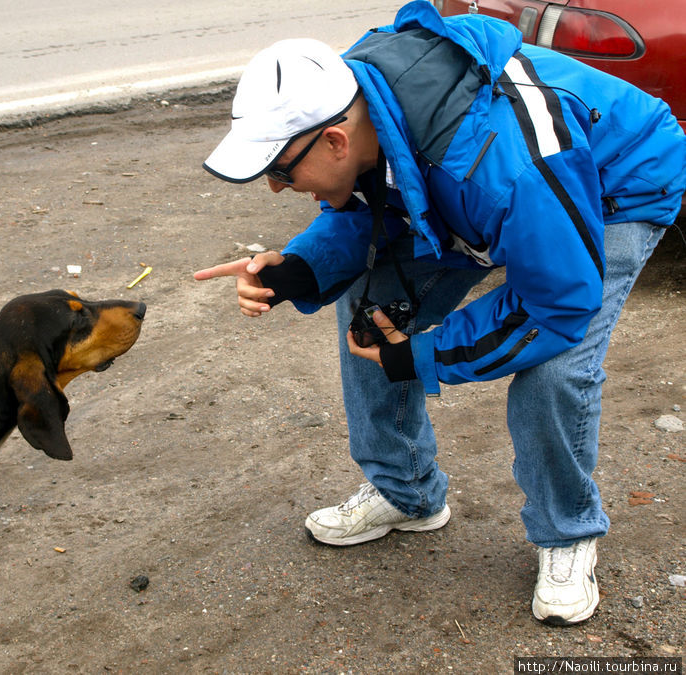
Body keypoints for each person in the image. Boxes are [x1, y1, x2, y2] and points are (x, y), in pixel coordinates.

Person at [193, 0, 686, 626]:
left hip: (614, 186)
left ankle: (566, 535)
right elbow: (376, 205)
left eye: (281, 172)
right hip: (483, 196)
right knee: (370, 309)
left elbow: (555, 305)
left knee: (555, 368)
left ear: (336, 140)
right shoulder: (368, 105)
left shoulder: (507, 167)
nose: (274, 189)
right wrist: (300, 269)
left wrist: (419, 355)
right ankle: (409, 494)